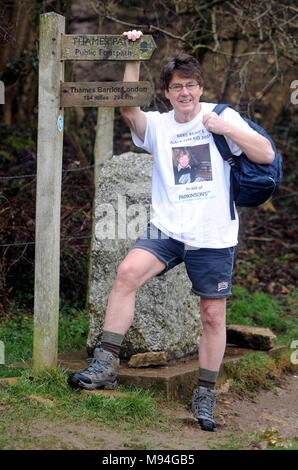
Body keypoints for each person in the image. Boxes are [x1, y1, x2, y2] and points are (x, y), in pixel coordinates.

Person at [68, 30, 274, 431]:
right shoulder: (159, 126)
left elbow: (265, 154)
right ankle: (105, 364)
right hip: (167, 229)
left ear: (200, 87)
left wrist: (226, 130)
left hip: (213, 235)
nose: (185, 93)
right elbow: (129, 109)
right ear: (166, 92)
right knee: (127, 273)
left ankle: (205, 395)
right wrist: (132, 55)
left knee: (213, 316)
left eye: (191, 85)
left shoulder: (221, 115)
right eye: (177, 87)